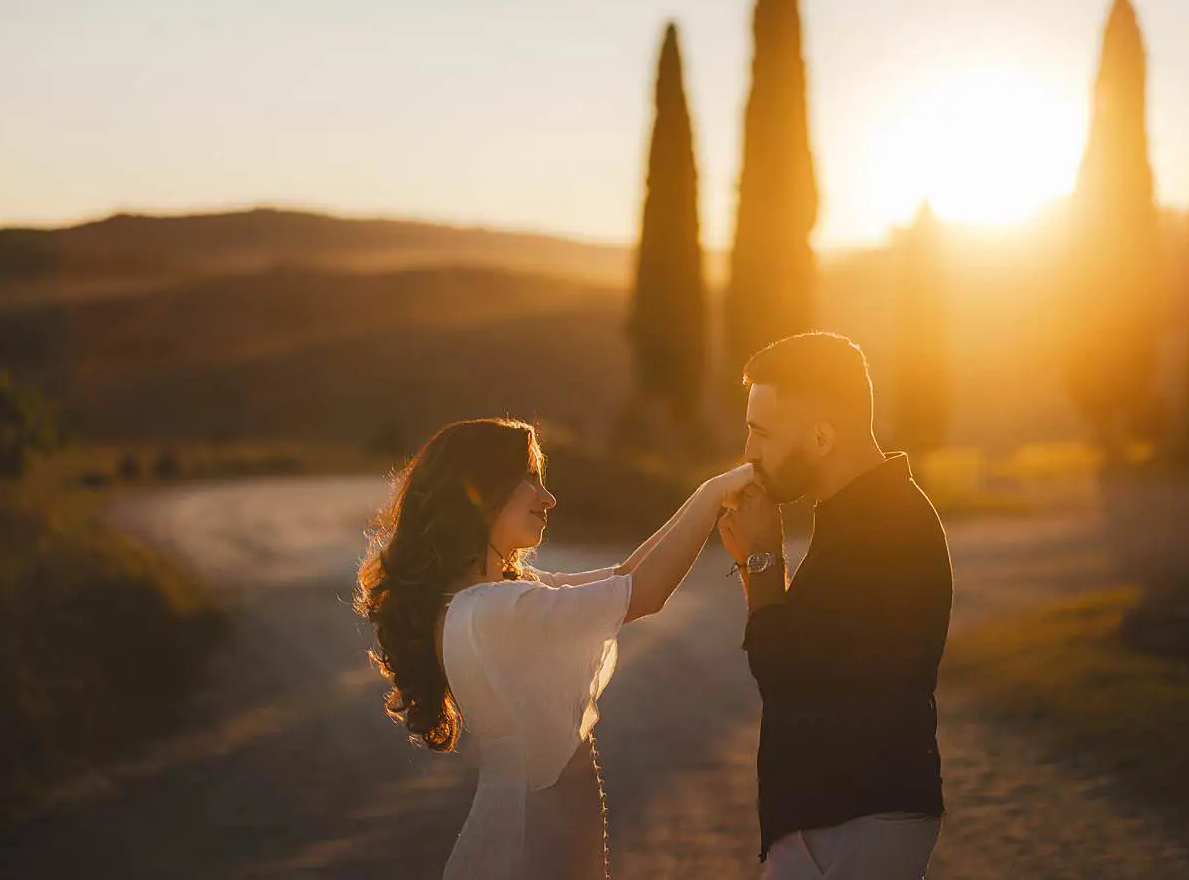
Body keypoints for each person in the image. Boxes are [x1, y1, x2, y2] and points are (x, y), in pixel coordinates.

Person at [354, 417, 753, 880]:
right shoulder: (496, 610)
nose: (548, 498)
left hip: (524, 836)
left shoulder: (488, 598)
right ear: (479, 489)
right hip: (532, 848)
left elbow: (625, 575)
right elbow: (643, 593)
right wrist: (712, 494)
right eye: (530, 478)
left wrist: (707, 494)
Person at [716, 333, 954, 880]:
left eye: (762, 432)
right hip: (850, 817)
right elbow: (815, 649)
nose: (749, 451)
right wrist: (758, 560)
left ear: (822, 437)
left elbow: (785, 671)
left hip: (854, 819)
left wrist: (762, 559)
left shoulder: (882, 527)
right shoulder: (866, 514)